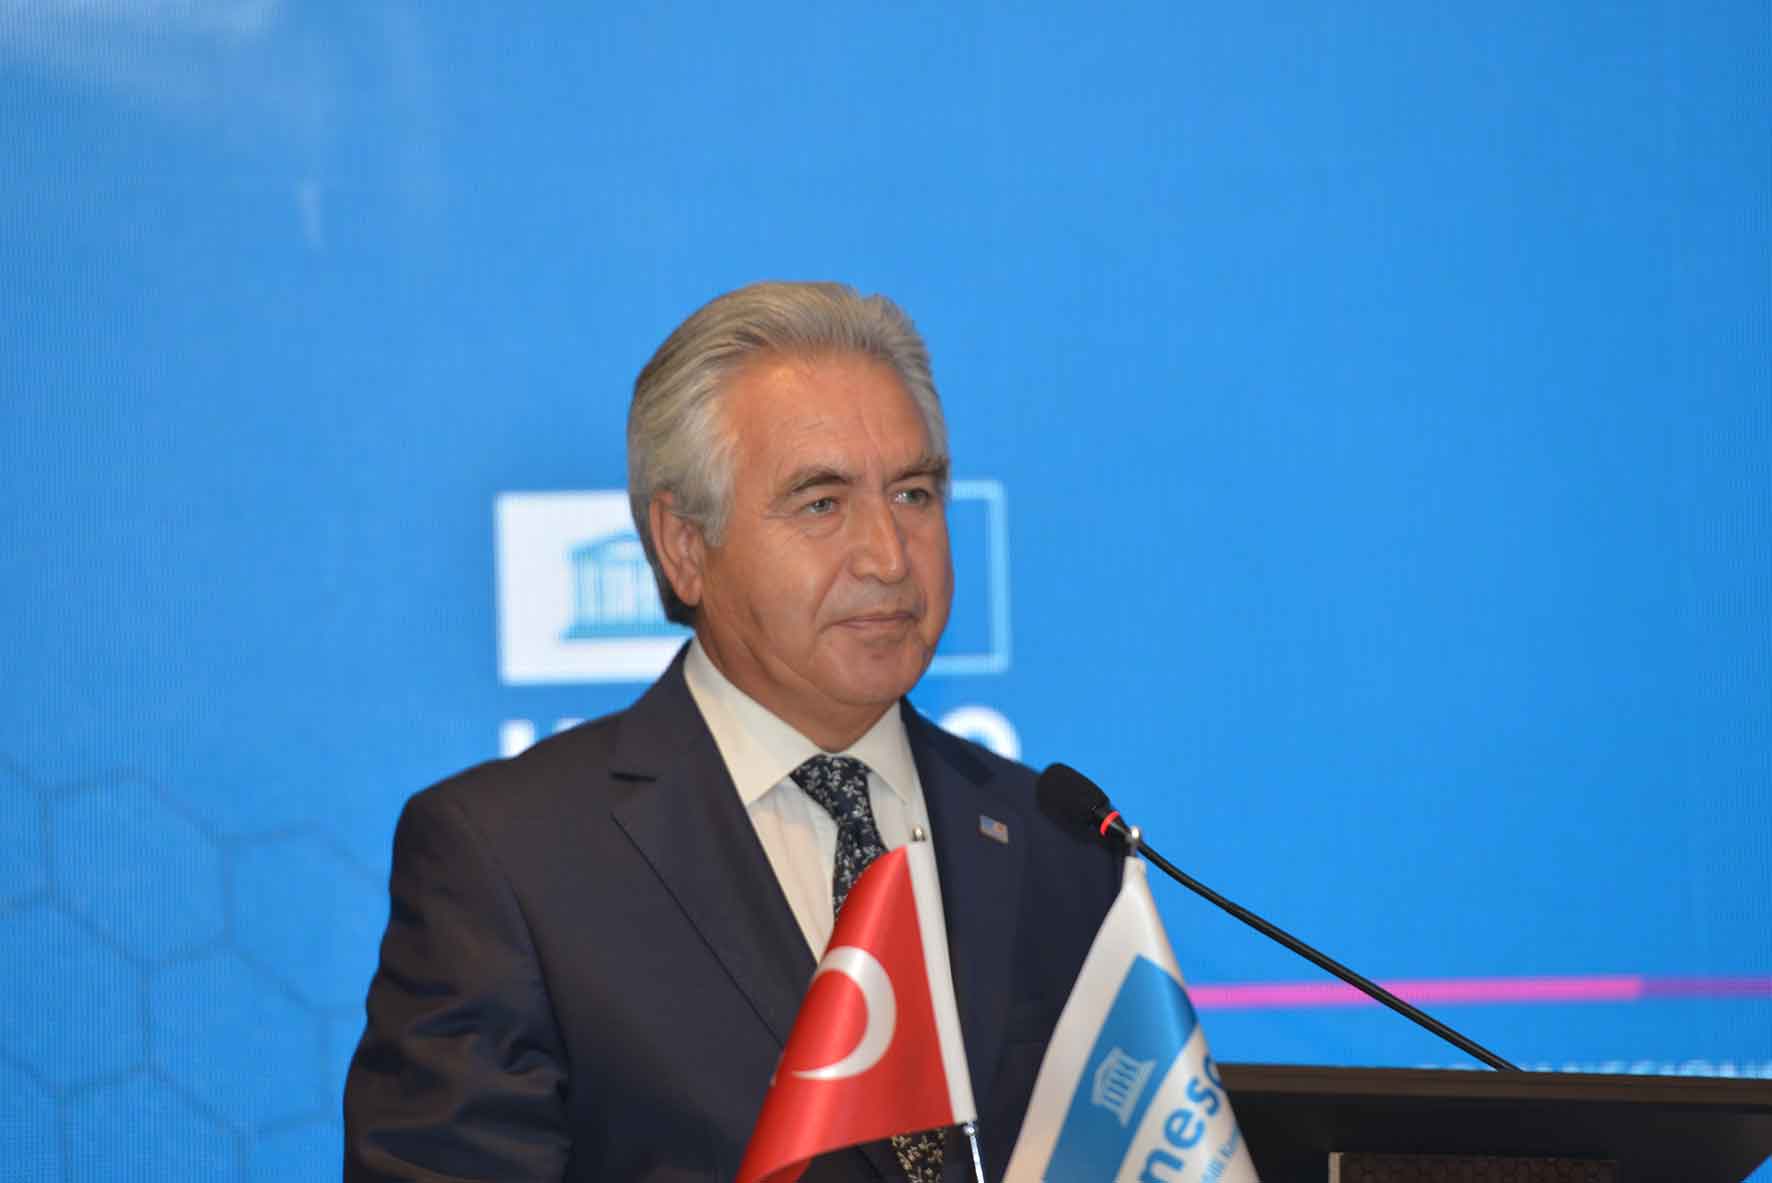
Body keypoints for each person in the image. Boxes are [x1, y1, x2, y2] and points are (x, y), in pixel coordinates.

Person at [344, 281, 1119, 1181]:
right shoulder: (509, 861)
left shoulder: (1058, 840)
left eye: (913, 492)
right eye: (821, 503)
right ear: (684, 546)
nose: (888, 555)